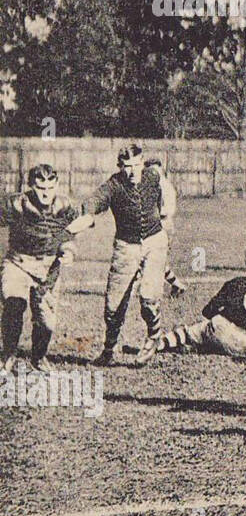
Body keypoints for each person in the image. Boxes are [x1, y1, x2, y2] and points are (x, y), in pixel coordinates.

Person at [82, 144, 175, 366]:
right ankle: (108, 349)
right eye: (127, 167)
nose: (132, 172)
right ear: (119, 166)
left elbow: (168, 195)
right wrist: (87, 214)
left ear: (143, 163)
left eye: (136, 165)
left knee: (148, 297)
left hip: (154, 242)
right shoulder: (114, 185)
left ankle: (153, 338)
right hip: (126, 247)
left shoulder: (153, 176)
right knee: (113, 306)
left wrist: (167, 216)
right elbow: (94, 200)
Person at [1, 165, 94, 373]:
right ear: (31, 186)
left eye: (51, 187)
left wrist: (69, 250)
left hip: (48, 268)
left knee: (46, 322)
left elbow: (80, 223)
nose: (46, 193)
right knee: (14, 304)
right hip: (18, 263)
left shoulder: (65, 205)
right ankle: (7, 356)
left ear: (57, 185)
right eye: (40, 187)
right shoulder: (15, 204)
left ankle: (39, 357)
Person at [136, 276, 246, 363]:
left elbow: (208, 311)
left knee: (190, 332)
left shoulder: (236, 282)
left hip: (223, 332)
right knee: (208, 337)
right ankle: (197, 346)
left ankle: (157, 345)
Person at [145, 157, 187, 297]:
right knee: (155, 260)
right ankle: (177, 285)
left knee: (150, 258)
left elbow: (164, 210)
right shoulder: (164, 184)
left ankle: (170, 286)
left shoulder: (159, 185)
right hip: (163, 224)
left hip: (161, 224)